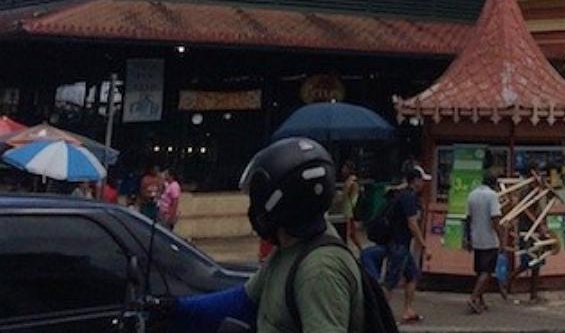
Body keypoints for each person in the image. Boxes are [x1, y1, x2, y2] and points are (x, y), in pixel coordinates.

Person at [167, 135, 368, 333]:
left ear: (280, 202)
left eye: (258, 200)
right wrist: (175, 308)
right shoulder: (290, 249)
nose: (255, 210)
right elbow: (243, 301)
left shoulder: (319, 271)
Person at [384, 164, 430, 324]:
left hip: (400, 243)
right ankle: (381, 313)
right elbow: (412, 223)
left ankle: (408, 310)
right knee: (391, 281)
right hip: (399, 244)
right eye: (422, 180)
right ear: (415, 181)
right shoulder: (408, 198)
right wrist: (422, 243)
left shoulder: (402, 195)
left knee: (412, 275)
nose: (423, 184)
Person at [465, 173, 503, 313]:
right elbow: (495, 219)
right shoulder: (492, 196)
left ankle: (481, 301)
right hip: (489, 239)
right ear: (494, 184)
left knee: (480, 270)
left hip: (476, 238)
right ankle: (473, 298)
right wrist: (502, 239)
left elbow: (468, 218)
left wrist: (468, 238)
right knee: (487, 271)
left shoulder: (472, 195)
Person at [340, 160, 362, 247]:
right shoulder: (348, 181)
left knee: (347, 233)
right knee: (352, 235)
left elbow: (353, 198)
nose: (342, 170)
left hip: (349, 212)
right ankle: (361, 250)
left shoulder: (352, 182)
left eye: (344, 168)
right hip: (347, 210)